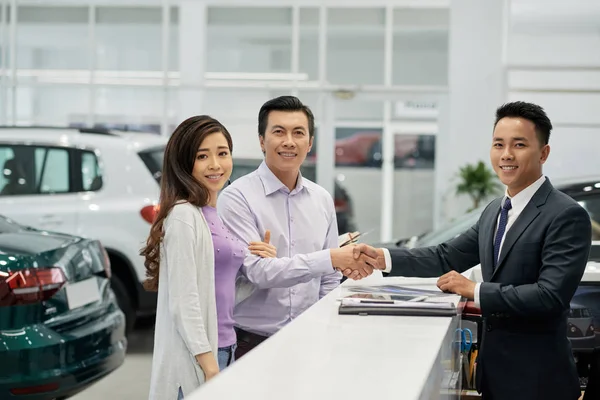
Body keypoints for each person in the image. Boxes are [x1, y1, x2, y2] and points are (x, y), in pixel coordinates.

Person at [352, 101, 592, 400]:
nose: (506, 154)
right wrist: (382, 258)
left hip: (539, 378)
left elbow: (549, 296)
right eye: (498, 144)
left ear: (543, 153)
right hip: (493, 374)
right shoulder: (495, 211)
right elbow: (446, 256)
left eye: (519, 145)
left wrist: (475, 290)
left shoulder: (565, 214)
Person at [217, 96, 378, 359]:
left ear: (310, 142)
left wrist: (327, 327)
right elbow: (258, 273)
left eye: (298, 133)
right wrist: (331, 258)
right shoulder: (237, 197)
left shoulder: (322, 199)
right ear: (261, 140)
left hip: (311, 340)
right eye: (278, 132)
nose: (289, 141)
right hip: (252, 344)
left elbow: (329, 279)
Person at [141, 116, 277, 400]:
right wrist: (209, 364)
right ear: (184, 163)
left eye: (222, 153)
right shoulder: (183, 216)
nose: (216, 164)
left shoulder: (217, 215)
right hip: (198, 357)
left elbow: (225, 291)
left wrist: (258, 263)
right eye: (202, 156)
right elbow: (184, 300)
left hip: (227, 347)